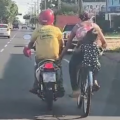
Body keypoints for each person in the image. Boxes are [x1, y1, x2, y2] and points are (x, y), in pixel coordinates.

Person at [58, 11, 107, 98]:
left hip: (80, 52)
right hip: (94, 51)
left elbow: (68, 45)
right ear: (90, 17)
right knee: (96, 65)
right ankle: (94, 81)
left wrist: (61, 57)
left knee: (72, 66)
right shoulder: (95, 26)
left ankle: (75, 90)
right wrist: (100, 51)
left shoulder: (76, 27)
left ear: (80, 18)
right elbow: (104, 43)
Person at [23, 9, 65, 96]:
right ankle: (60, 87)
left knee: (36, 68)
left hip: (41, 58)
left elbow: (30, 44)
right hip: (54, 57)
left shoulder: (38, 30)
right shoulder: (56, 30)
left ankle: (36, 86)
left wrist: (27, 49)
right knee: (59, 69)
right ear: (52, 19)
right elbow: (62, 44)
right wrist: (60, 54)